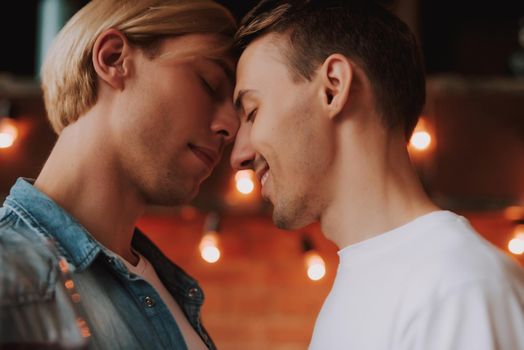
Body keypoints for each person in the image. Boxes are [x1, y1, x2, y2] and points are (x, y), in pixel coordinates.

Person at [230, 1, 524, 349]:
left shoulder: (459, 291)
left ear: (333, 87)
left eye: (251, 113)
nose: (239, 156)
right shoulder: (362, 287)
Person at [0, 0, 238, 349]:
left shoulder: (171, 291)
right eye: (209, 82)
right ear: (113, 59)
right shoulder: (10, 276)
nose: (230, 126)